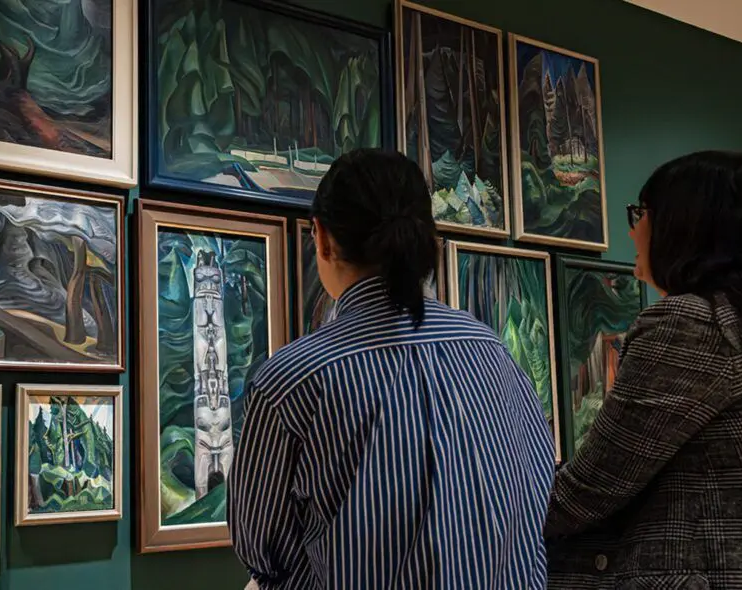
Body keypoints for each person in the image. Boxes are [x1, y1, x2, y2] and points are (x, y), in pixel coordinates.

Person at [227, 149, 555, 589]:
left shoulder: (292, 381)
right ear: (427, 237)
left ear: (321, 238)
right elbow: (537, 495)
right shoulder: (494, 351)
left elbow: (264, 553)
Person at [545, 151, 742, 588]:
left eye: (641, 213)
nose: (633, 229)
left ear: (682, 225)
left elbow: (591, 488)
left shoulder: (692, 324)